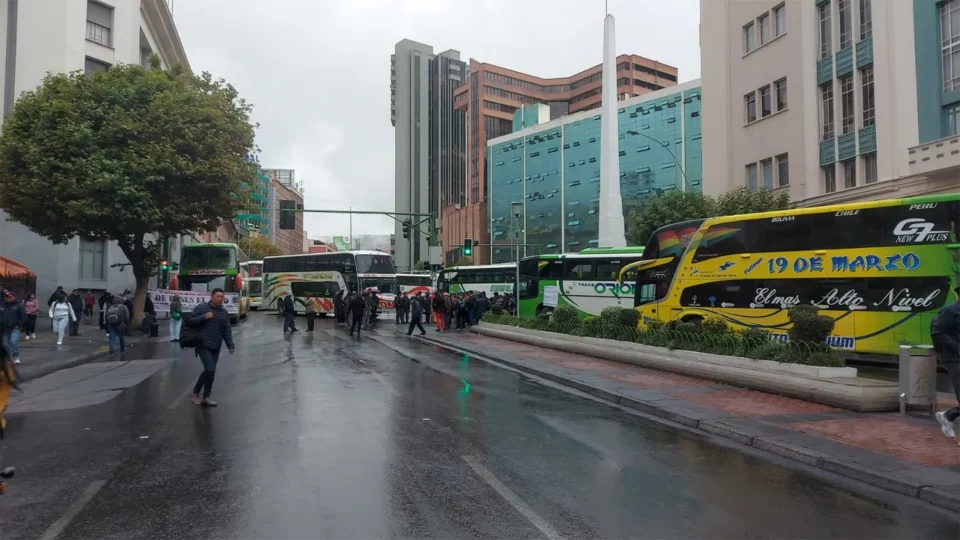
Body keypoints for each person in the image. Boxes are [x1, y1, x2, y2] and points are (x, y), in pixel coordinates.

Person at [187, 288, 234, 407]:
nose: (220, 299)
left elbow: (226, 330)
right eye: (218, 296)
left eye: (222, 297)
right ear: (211, 297)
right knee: (210, 369)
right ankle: (195, 391)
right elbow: (189, 321)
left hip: (216, 346)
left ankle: (206, 397)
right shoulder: (202, 308)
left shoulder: (224, 313)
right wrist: (204, 317)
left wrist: (230, 344)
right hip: (203, 344)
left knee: (211, 372)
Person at [932, 288, 960, 438]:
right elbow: (937, 332)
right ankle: (948, 416)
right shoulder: (950, 311)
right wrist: (957, 347)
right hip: (953, 358)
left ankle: (949, 416)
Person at [0, 291, 25, 364]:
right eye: (6, 297)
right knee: (5, 344)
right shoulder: (2, 305)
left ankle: (15, 356)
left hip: (15, 327)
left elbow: (23, 316)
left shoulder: (19, 305)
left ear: (14, 297)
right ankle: (8, 357)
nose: (7, 298)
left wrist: (19, 324)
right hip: (3, 328)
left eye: (9, 297)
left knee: (13, 342)